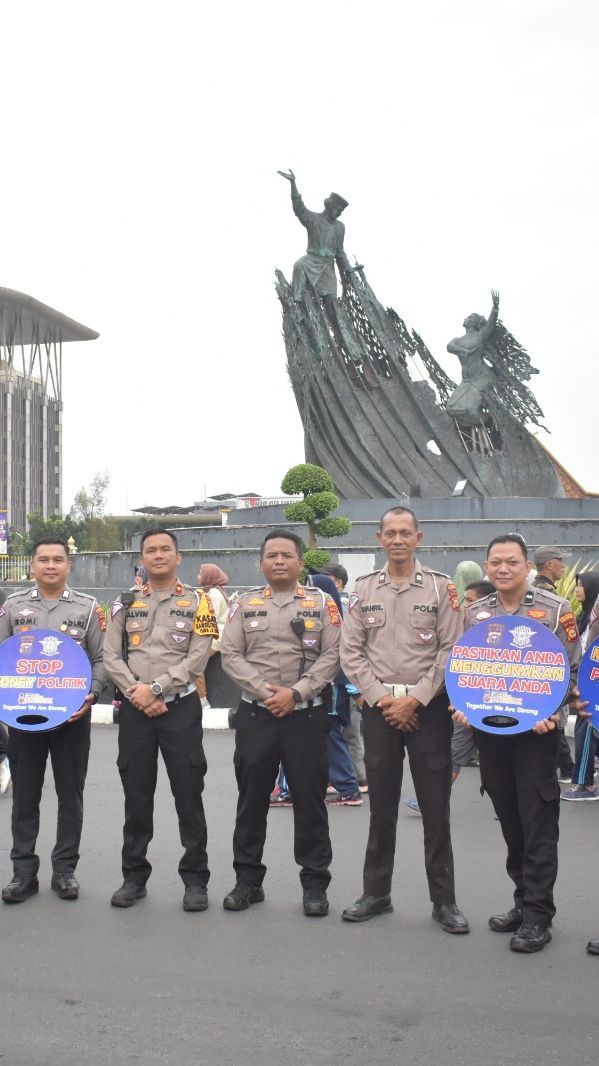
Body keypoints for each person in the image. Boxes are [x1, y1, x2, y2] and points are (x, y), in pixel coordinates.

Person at [339, 506, 469, 933]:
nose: (397, 539)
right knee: (381, 807)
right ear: (379, 538)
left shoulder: (440, 589)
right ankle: (376, 893)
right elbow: (351, 652)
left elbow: (451, 649)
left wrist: (415, 699)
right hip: (379, 712)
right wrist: (382, 699)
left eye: (405, 533)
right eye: (390, 533)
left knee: (436, 809)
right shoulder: (361, 590)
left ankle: (444, 901)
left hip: (427, 711)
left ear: (419, 537)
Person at [454, 534, 582, 952]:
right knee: (511, 823)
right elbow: (465, 666)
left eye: (511, 562)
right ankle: (522, 901)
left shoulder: (556, 610)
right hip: (491, 735)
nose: (503, 569)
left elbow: (573, 671)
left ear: (528, 566)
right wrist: (464, 706)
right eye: (495, 562)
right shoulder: (475, 613)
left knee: (538, 825)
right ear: (487, 567)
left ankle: (539, 915)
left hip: (536, 738)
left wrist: (554, 712)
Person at [220, 529, 341, 917]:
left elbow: (334, 654)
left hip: (306, 715)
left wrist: (299, 692)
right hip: (258, 714)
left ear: (300, 561)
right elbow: (230, 654)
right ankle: (247, 881)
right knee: (251, 800)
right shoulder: (244, 603)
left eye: (287, 555)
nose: (279, 561)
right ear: (261, 563)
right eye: (271, 555)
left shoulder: (322, 603)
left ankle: (315, 883)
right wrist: (266, 692)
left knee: (309, 800)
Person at [103, 529, 218, 912]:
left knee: (189, 795)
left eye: (164, 549)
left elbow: (198, 658)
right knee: (137, 798)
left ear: (178, 557)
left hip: (180, 711)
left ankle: (195, 881)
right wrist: (139, 691)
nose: (157, 555)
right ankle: (134, 877)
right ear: (141, 558)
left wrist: (156, 688)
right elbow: (110, 657)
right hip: (136, 711)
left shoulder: (199, 602)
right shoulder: (123, 603)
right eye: (150, 550)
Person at [0, 538, 106, 903]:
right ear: (32, 565)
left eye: (57, 559)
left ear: (68, 566)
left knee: (70, 796)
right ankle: (23, 874)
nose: (50, 565)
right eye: (43, 559)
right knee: (25, 797)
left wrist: (90, 695)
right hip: (24, 717)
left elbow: (101, 660)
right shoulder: (13, 607)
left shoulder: (88, 609)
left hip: (72, 719)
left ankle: (65, 872)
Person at [532, 547, 574, 781]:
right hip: (545, 670)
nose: (563, 566)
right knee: (550, 720)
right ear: (548, 565)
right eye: (560, 561)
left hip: (541, 668)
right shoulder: (548, 597)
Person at [278, 169, 352, 301]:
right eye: (338, 210)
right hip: (310, 261)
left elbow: (340, 252)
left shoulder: (340, 227)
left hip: (328, 267)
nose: (340, 213)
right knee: (298, 266)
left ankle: (334, 321)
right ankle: (299, 306)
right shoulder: (314, 219)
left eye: (341, 211)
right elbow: (299, 209)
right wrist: (293, 183)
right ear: (330, 206)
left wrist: (348, 268)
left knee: (331, 302)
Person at [560, 571, 599, 802]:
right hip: (590, 675)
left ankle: (585, 785)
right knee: (588, 728)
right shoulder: (584, 614)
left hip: (593, 677)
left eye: (581, 585)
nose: (577, 590)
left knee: (587, 728)